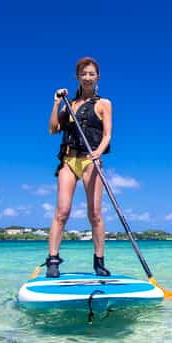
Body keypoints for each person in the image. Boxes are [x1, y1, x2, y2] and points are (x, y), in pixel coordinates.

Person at [44, 57, 112, 278]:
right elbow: (53, 129)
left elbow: (107, 135)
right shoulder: (70, 104)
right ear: (78, 77)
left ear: (97, 77)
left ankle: (99, 261)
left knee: (95, 214)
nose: (88, 77)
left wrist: (98, 152)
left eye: (92, 73)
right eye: (84, 74)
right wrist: (56, 103)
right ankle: (53, 260)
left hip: (91, 160)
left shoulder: (104, 104)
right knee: (62, 212)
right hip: (69, 160)